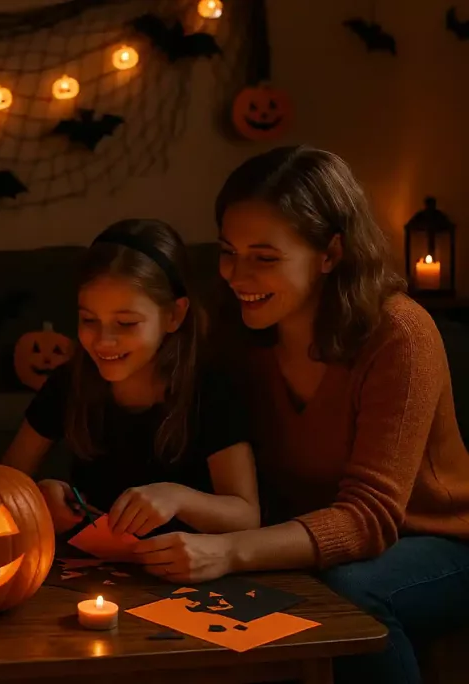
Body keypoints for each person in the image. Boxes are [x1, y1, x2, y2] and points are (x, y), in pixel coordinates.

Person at [133, 145, 469, 684]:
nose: (237, 275)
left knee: (353, 592)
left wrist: (228, 551)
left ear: (330, 253)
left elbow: (368, 519)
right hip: (313, 542)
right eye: (227, 251)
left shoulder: (400, 334)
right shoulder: (239, 337)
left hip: (439, 541)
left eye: (264, 257)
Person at [2, 219, 260, 540]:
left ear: (174, 315)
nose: (103, 341)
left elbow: (246, 516)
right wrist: (38, 497)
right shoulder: (71, 382)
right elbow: (4, 482)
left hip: (185, 572)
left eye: (126, 323)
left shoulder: (210, 390)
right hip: (93, 570)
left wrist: (177, 498)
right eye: (89, 320)